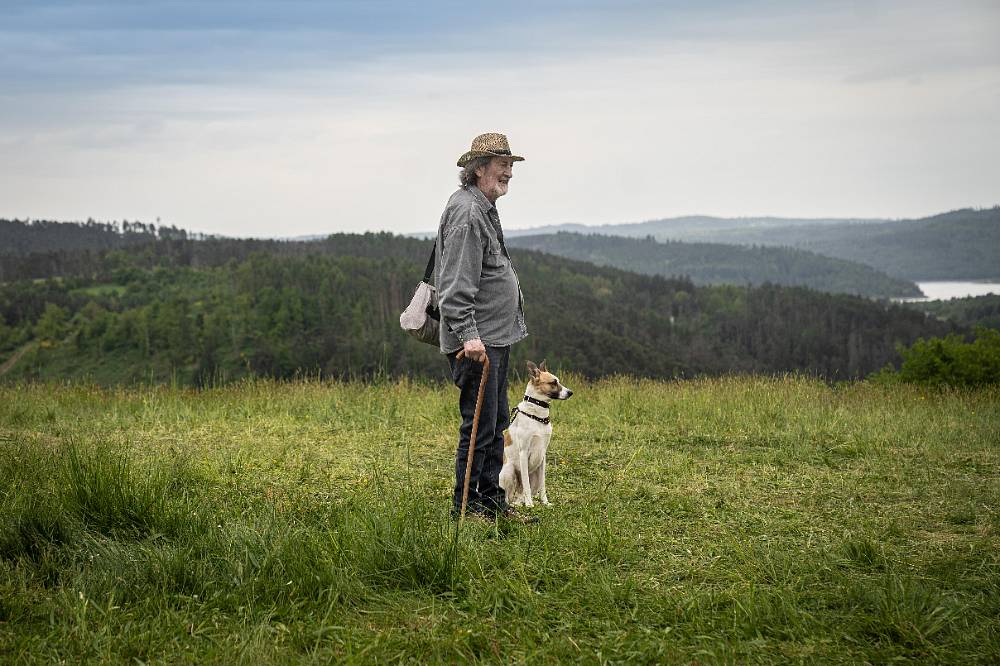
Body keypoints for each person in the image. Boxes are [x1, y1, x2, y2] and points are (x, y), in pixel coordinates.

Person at [435, 132, 532, 522]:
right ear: (478, 169)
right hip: (477, 341)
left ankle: (492, 504)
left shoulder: (483, 206)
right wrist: (469, 335)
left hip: (494, 337)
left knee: (493, 424)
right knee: (477, 427)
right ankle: (469, 508)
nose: (508, 171)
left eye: (511, 164)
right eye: (501, 164)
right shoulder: (468, 212)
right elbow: (456, 286)